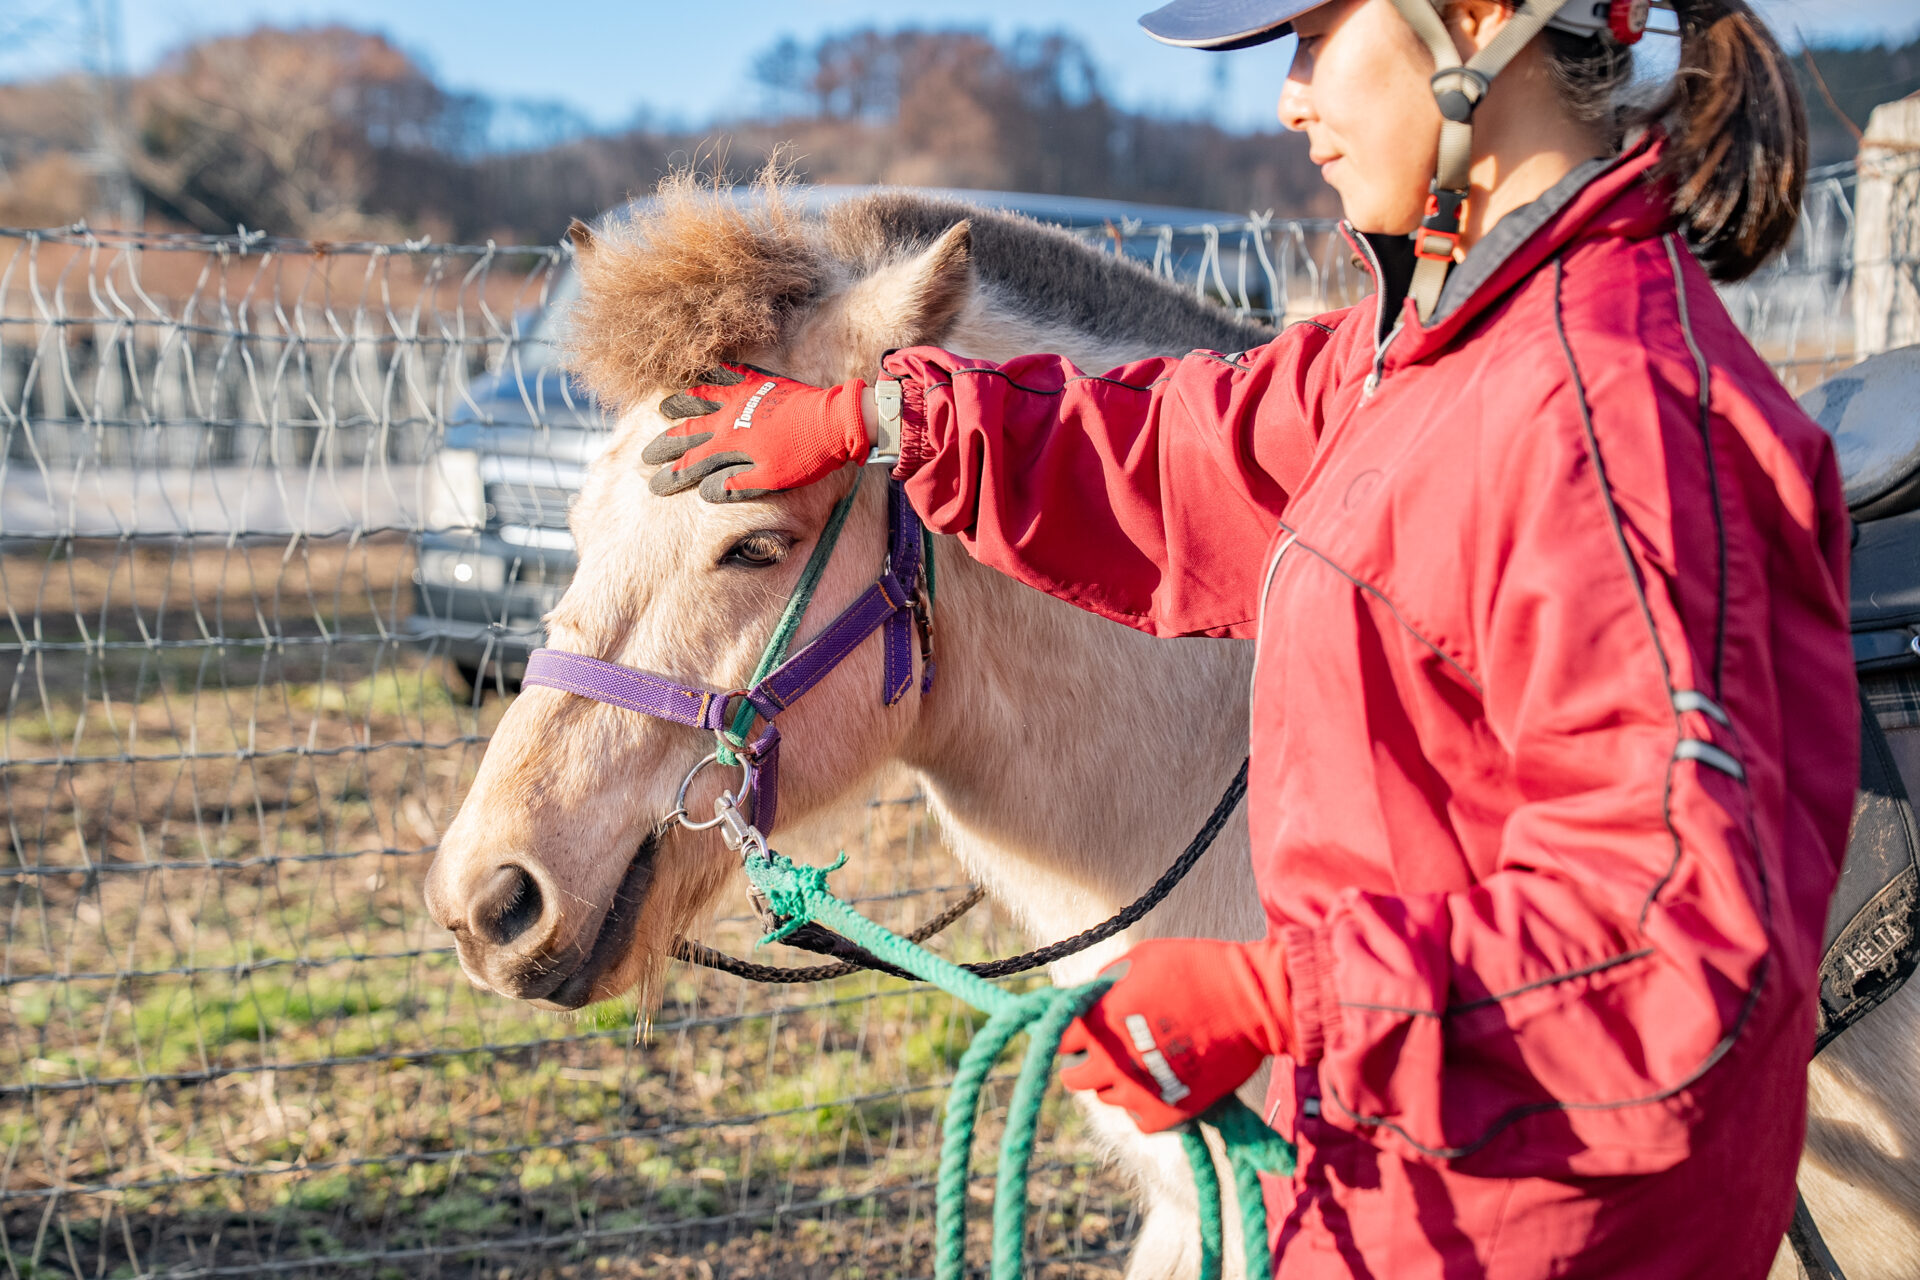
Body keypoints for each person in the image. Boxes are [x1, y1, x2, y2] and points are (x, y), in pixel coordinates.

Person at [640, 0, 1858, 1274]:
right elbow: (1185, 453)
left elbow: (1668, 932)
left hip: (1533, 1225)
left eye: (1315, 38)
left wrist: (1288, 997)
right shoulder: (1429, 355)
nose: (1289, 98)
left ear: (1482, 22)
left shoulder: (1610, 419)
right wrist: (884, 417)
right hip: (1412, 1166)